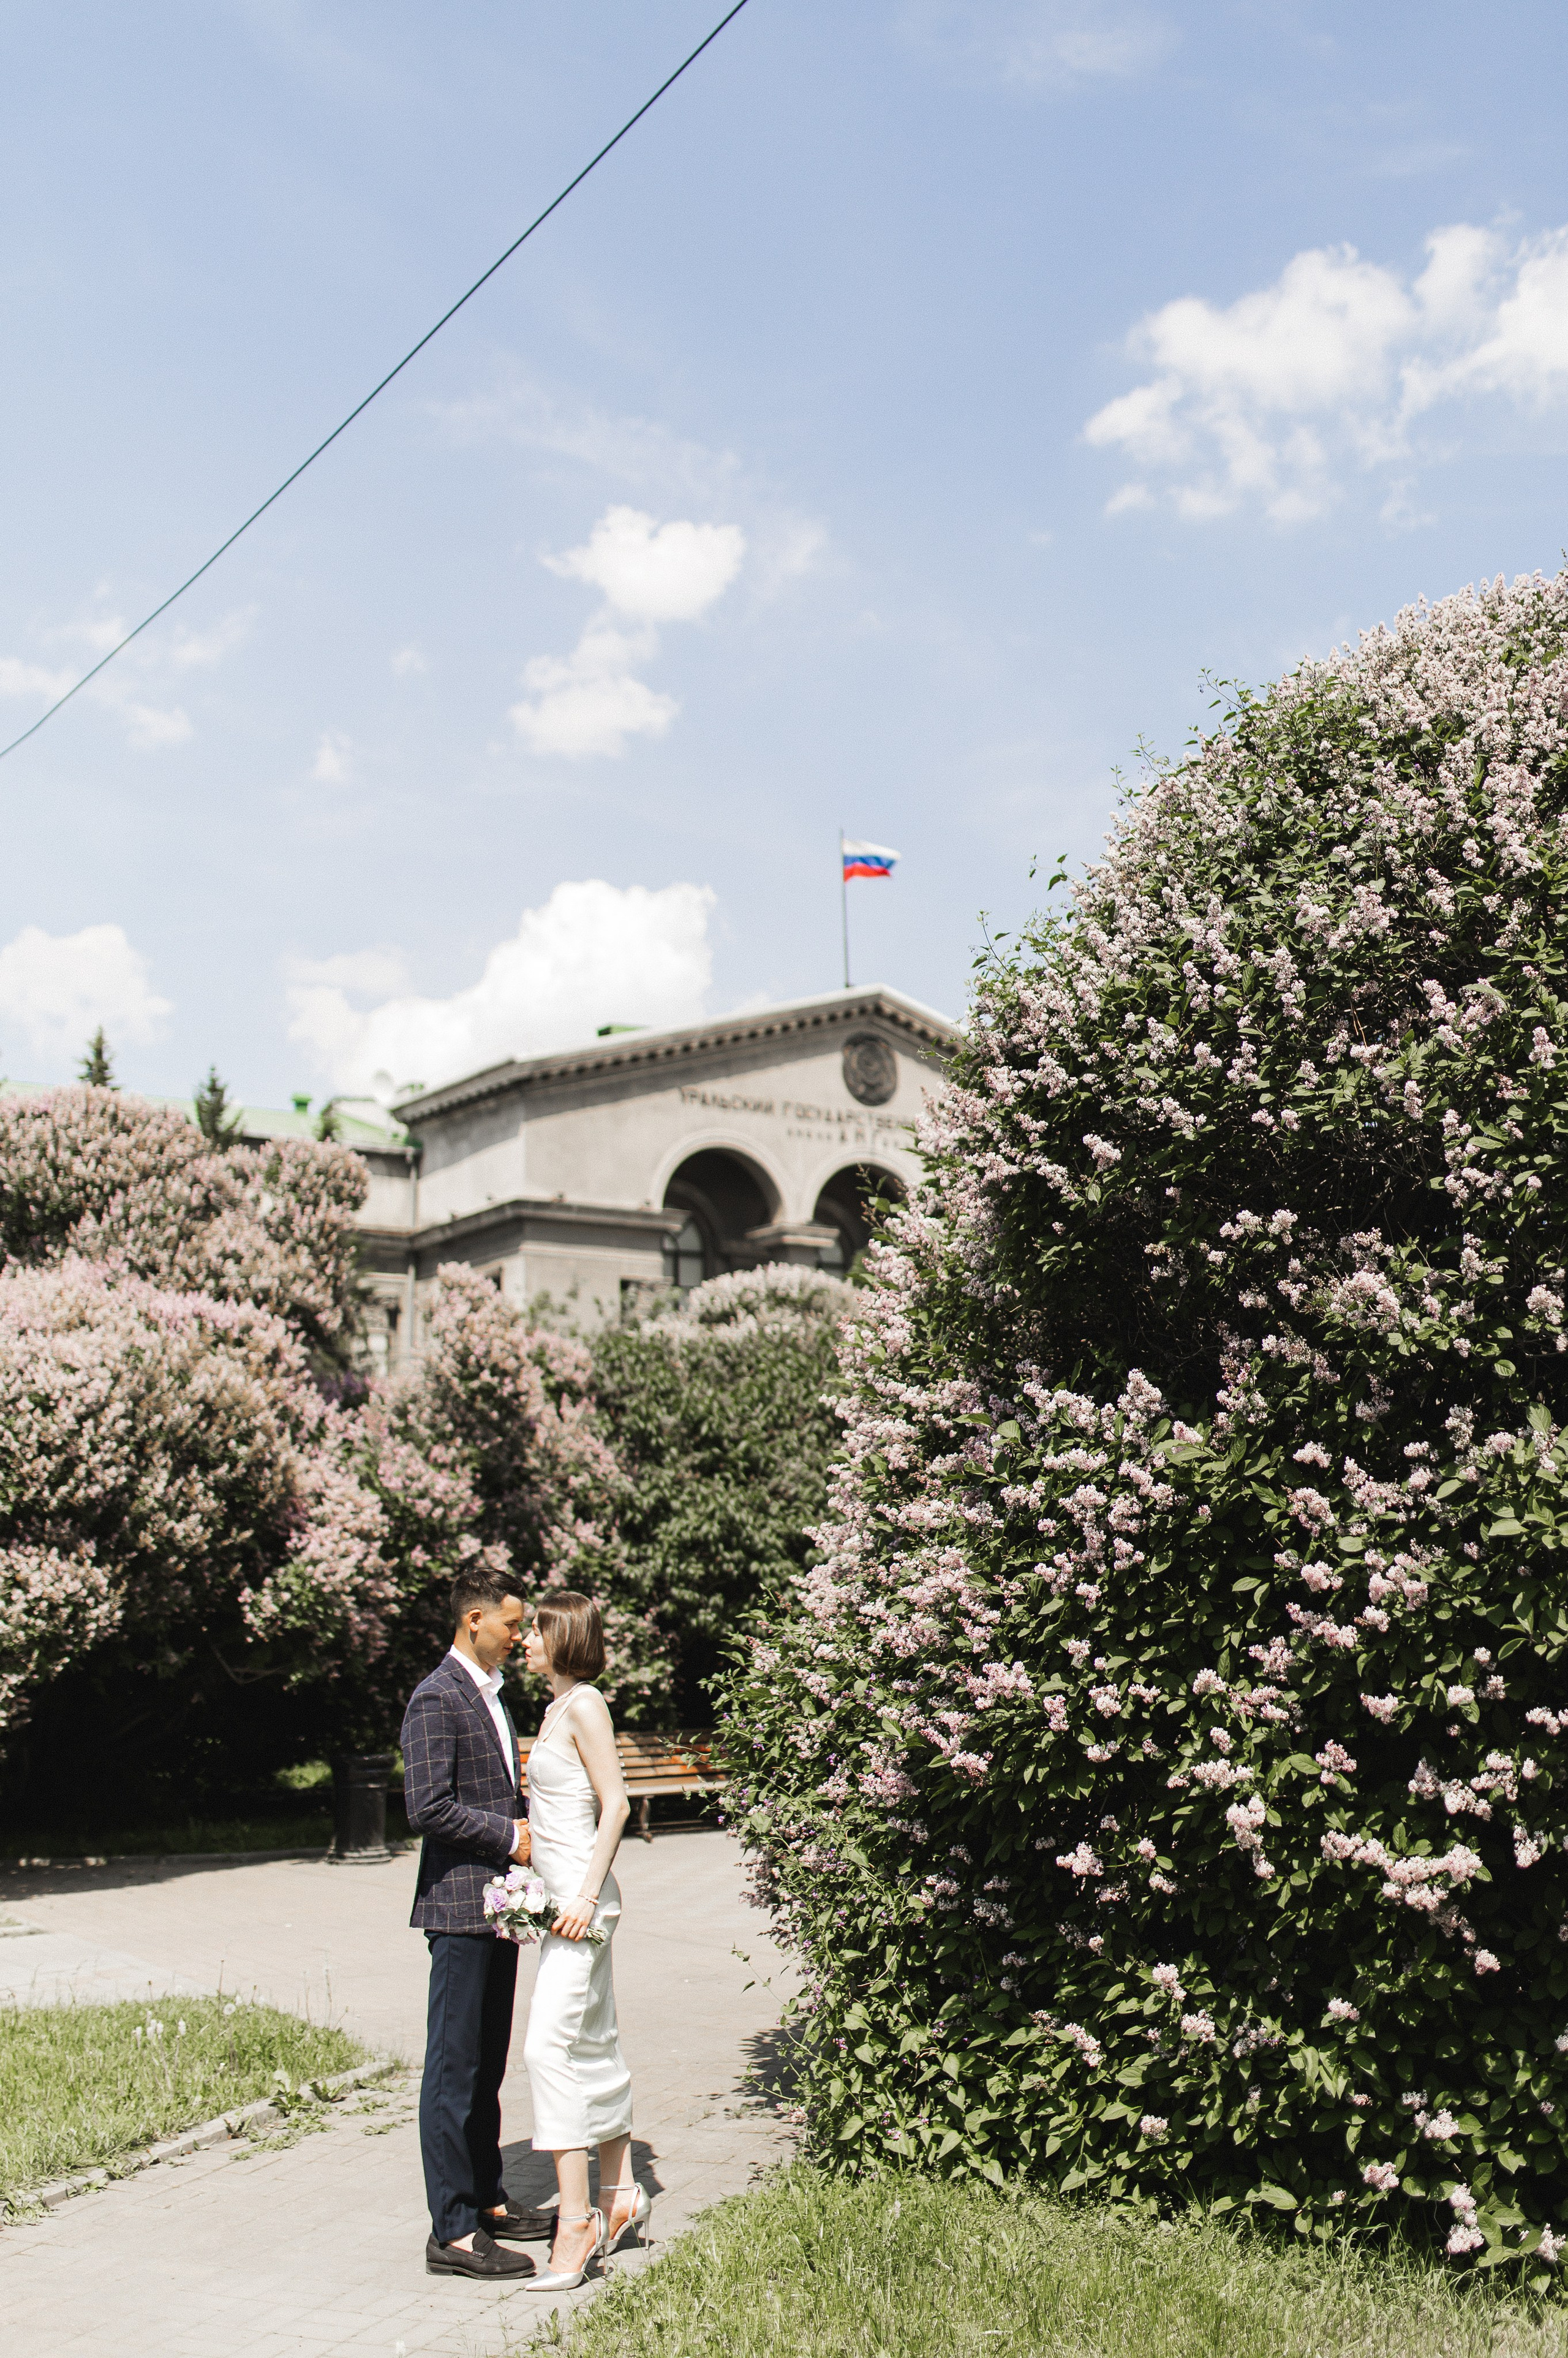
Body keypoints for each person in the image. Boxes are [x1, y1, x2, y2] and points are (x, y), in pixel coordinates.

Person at [401, 1566, 555, 2279]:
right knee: (453, 2069)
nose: (519, 1633)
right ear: (473, 1620)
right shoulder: (436, 1697)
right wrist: (510, 1838)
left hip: (498, 1911)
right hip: (458, 1909)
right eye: (511, 1622)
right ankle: (453, 2231)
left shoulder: (492, 1696)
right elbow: (426, 1808)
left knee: (487, 2063)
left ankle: (489, 2198)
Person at [518, 1589, 647, 2293]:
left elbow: (618, 1803)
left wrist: (584, 1895)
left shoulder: (587, 1704)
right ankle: (619, 2193)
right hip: (557, 1904)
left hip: (580, 1907)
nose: (525, 1642)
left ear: (562, 1635)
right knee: (591, 2040)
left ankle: (576, 2221)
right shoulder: (557, 1707)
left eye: (534, 1632)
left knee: (547, 2048)